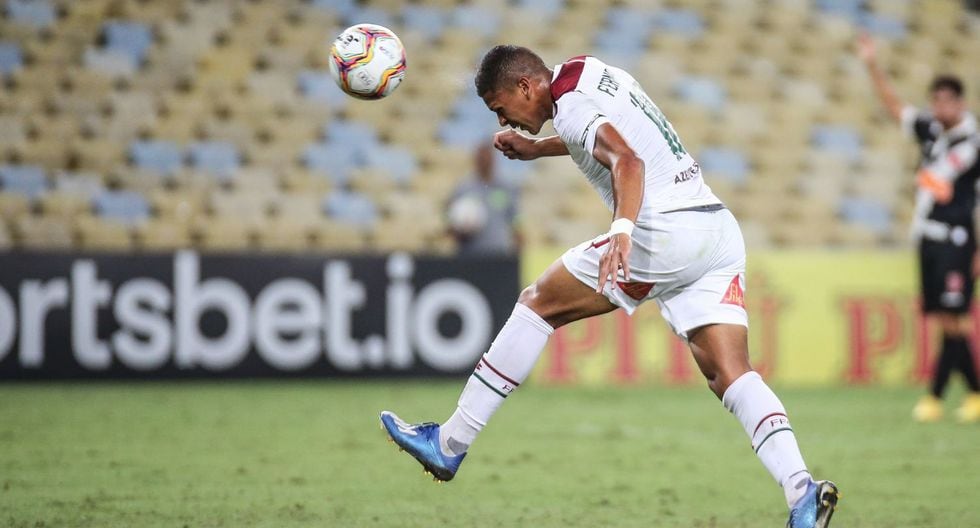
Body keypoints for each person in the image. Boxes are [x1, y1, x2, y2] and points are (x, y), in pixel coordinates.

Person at [381, 46, 839, 528]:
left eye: (501, 108)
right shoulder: (586, 71)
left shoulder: (571, 108)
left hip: (662, 232)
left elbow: (627, 160)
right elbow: (602, 135)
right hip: (715, 229)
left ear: (525, 87)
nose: (504, 120)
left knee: (537, 305)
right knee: (731, 373)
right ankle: (802, 491)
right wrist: (538, 148)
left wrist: (622, 231)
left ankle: (450, 443)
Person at [858, 34, 980, 423]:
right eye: (936, 100)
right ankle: (959, 395)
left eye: (947, 101)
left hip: (957, 239)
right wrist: (871, 64)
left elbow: (945, 185)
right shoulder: (930, 129)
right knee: (947, 319)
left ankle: (945, 395)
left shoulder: (971, 143)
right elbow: (895, 107)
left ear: (960, 103)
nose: (940, 107)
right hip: (928, 238)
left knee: (953, 319)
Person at [446, 142, 523, 256]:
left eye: (487, 158)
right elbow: (450, 219)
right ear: (475, 160)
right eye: (481, 158)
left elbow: (515, 219)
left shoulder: (506, 187)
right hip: (470, 253)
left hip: (499, 252)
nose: (484, 162)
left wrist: (519, 246)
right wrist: (458, 228)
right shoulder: (463, 188)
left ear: (493, 160)